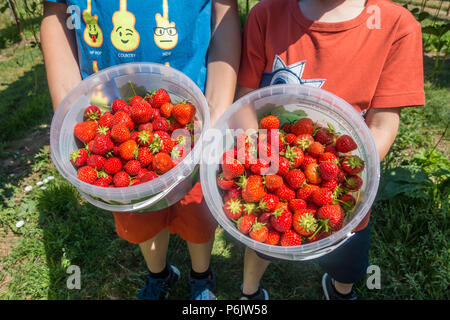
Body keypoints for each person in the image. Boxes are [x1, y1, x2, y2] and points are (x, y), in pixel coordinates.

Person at [41, 0, 241, 300]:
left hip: (192, 116)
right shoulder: (113, 141)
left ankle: (201, 275)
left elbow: (224, 9)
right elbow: (57, 14)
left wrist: (216, 107)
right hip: (106, 110)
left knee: (198, 214)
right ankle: (159, 274)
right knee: (140, 213)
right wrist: (68, 107)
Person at [236, 0, 424, 300]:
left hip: (344, 182)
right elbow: (245, 97)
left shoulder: (396, 26)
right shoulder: (267, 14)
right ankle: (250, 293)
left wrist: (342, 174)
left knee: (348, 261)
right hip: (274, 162)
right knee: (262, 241)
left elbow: (382, 125)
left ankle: (341, 290)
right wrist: (260, 155)